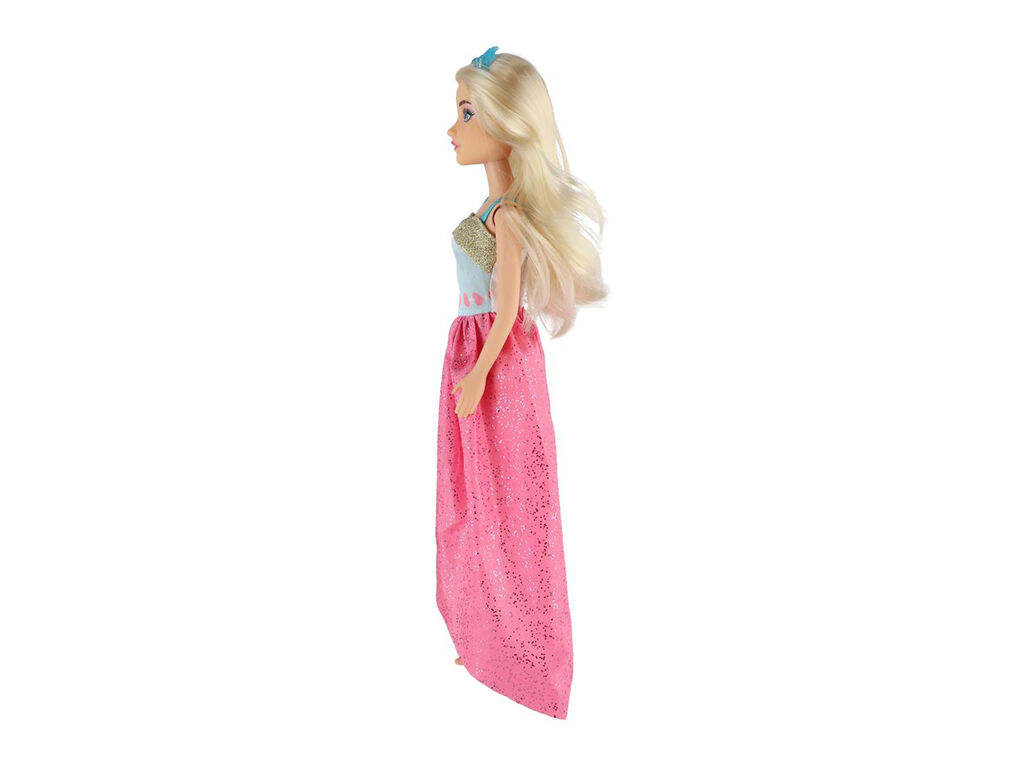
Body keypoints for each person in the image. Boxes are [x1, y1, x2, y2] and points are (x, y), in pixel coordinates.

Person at [436, 45, 609, 719]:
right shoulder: (492, 210)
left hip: (495, 362)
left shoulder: (506, 217)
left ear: (506, 123)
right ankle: (490, 635)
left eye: (467, 113)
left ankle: (526, 650)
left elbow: (507, 308)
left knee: (508, 498)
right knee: (476, 495)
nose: (453, 129)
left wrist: (479, 373)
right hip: (473, 353)